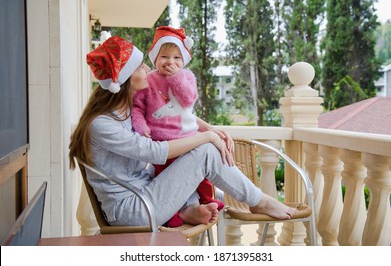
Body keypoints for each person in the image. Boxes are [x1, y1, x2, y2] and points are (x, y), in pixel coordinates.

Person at [69, 36, 297, 229]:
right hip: (132, 209)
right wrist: (207, 137)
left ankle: (184, 210)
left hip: (147, 192)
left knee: (203, 147)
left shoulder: (125, 111)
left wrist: (209, 128)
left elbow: (167, 113)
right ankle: (258, 200)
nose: (148, 69)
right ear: (127, 78)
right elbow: (156, 152)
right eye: (140, 67)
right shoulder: (102, 124)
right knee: (206, 151)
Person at [131, 26, 223, 227]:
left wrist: (176, 78)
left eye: (177, 58)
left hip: (186, 138)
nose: (170, 62)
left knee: (197, 177)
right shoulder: (147, 80)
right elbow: (137, 108)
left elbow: (188, 100)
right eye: (164, 56)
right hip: (162, 144)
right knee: (169, 181)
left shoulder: (186, 77)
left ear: (184, 61)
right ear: (155, 58)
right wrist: (140, 126)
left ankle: (203, 201)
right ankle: (177, 211)